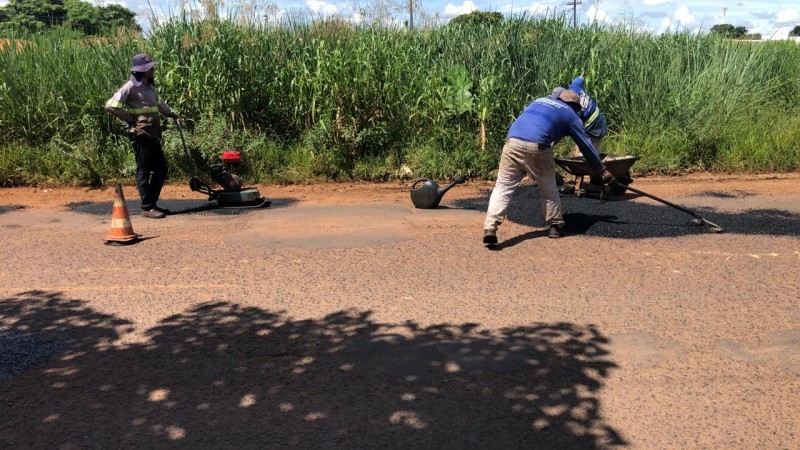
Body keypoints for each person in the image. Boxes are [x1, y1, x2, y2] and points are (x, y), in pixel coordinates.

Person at [483, 89, 614, 246]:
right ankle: (555, 225)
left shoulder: (538, 101)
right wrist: (601, 170)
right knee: (548, 186)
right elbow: (585, 145)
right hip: (537, 146)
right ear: (574, 106)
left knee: (503, 187)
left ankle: (490, 227)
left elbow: (526, 123)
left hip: (512, 142)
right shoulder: (570, 114)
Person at [105, 53, 179, 219]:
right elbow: (111, 106)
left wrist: (172, 114)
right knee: (143, 171)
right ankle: (147, 207)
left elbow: (160, 104)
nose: (152, 69)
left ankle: (151, 203)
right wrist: (130, 118)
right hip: (140, 134)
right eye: (149, 67)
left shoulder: (149, 87)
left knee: (161, 169)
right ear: (142, 70)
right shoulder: (130, 87)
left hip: (153, 133)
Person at [552, 72, 609, 195]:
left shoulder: (572, 112)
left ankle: (570, 185)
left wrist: (553, 142)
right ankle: (593, 182)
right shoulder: (575, 87)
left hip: (595, 126)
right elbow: (579, 79)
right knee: (585, 155)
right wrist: (581, 75)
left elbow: (568, 131)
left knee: (580, 157)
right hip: (596, 122)